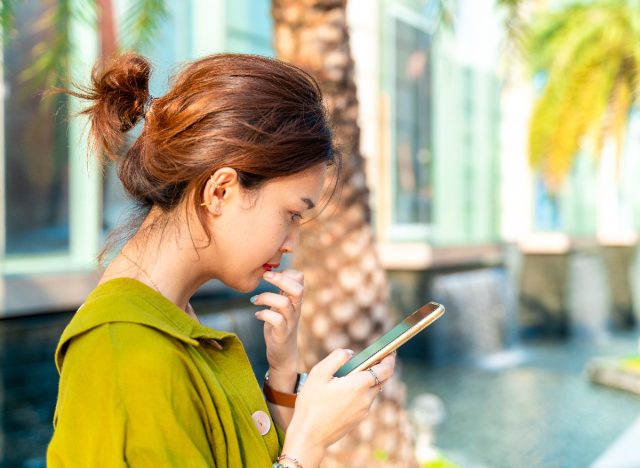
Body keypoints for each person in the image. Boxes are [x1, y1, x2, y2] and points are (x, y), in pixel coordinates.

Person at [46, 52, 396, 468]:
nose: (291, 243)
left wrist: (283, 375)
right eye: (291, 214)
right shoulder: (123, 348)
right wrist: (309, 444)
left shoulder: (170, 319)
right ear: (221, 192)